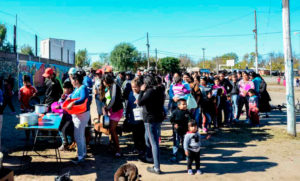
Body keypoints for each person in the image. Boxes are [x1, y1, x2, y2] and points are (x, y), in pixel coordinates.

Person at [138, 75, 164, 174]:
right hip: (157, 118)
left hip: (150, 119)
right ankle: (149, 157)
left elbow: (140, 102)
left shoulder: (150, 92)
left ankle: (156, 167)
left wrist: (141, 91)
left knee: (154, 143)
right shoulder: (159, 90)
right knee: (148, 138)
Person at [68, 71, 90, 164]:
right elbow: (72, 95)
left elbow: (83, 98)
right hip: (77, 114)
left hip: (81, 115)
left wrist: (73, 103)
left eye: (72, 80)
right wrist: (68, 97)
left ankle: (80, 157)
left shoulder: (83, 88)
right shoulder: (77, 88)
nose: (71, 81)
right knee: (81, 135)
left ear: (76, 80)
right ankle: (83, 153)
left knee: (78, 136)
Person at [103, 73, 124, 157]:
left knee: (112, 129)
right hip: (112, 110)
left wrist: (107, 108)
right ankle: (114, 147)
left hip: (116, 110)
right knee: (111, 129)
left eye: (103, 81)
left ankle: (118, 150)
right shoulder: (110, 87)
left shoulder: (114, 86)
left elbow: (113, 99)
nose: (103, 83)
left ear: (106, 80)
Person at [125, 78, 145, 156]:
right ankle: (136, 148)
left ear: (140, 86)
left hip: (141, 117)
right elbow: (128, 105)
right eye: (132, 87)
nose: (134, 89)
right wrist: (127, 115)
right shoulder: (130, 94)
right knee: (135, 134)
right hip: (133, 117)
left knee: (141, 134)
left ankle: (142, 148)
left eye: (135, 87)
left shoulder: (142, 94)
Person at [19, 75, 38, 140]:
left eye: (23, 80)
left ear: (25, 81)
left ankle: (33, 136)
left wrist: (34, 96)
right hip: (24, 109)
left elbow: (36, 100)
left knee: (33, 123)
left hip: (32, 109)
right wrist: (24, 107)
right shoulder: (21, 89)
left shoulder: (33, 89)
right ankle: (27, 137)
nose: (23, 82)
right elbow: (20, 100)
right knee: (26, 124)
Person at [57, 81, 74, 151]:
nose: (64, 90)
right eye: (63, 88)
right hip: (66, 117)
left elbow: (65, 106)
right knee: (62, 129)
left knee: (63, 129)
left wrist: (60, 106)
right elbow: (60, 102)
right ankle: (68, 144)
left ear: (70, 89)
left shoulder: (72, 96)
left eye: (65, 89)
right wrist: (62, 99)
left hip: (71, 118)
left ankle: (65, 144)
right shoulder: (66, 95)